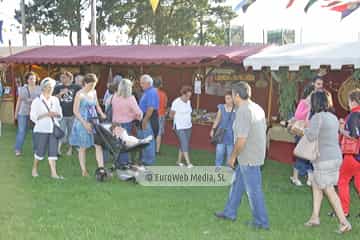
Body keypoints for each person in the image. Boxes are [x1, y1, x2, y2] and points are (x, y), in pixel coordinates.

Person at [215, 82, 269, 230]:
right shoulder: (257, 107)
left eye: (232, 95)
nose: (232, 97)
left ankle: (261, 222)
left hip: (248, 156)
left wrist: (232, 157)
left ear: (237, 95)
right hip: (253, 154)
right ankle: (229, 212)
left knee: (253, 191)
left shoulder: (244, 111)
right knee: (237, 184)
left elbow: (241, 139)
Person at [303, 91, 351, 233]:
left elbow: (311, 137)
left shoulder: (317, 117)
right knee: (316, 185)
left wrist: (302, 128)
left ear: (315, 103)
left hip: (323, 159)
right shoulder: (333, 117)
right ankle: (315, 217)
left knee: (329, 190)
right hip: (336, 157)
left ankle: (344, 222)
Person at [69, 73, 107, 176]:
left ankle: (101, 168)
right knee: (83, 147)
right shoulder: (79, 94)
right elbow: (75, 111)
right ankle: (83, 170)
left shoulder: (94, 92)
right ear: (85, 83)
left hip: (94, 121)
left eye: (94, 85)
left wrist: (102, 114)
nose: (92, 87)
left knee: (98, 145)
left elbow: (97, 105)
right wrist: (85, 123)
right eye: (91, 85)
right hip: (82, 122)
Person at [30, 77, 63, 179]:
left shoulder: (55, 100)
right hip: (41, 130)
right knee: (40, 152)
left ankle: (54, 173)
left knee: (53, 152)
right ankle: (34, 168)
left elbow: (60, 115)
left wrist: (55, 114)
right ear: (43, 88)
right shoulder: (37, 101)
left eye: (52, 87)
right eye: (48, 87)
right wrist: (46, 114)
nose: (50, 89)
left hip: (53, 129)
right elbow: (33, 117)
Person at [335, 89, 360, 219]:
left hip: (353, 154)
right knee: (358, 182)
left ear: (353, 101)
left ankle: (344, 211)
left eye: (349, 101)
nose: (348, 104)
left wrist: (341, 129)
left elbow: (355, 136)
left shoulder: (354, 115)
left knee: (342, 180)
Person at [112, 78, 143, 166]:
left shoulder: (115, 96)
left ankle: (118, 162)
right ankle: (124, 163)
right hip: (126, 123)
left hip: (115, 122)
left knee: (118, 143)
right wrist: (137, 117)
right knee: (125, 143)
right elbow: (138, 112)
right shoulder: (130, 98)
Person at [290, 84, 315, 186]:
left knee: (310, 154)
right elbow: (297, 116)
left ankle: (310, 177)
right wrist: (308, 108)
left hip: (309, 132)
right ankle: (295, 177)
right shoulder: (303, 102)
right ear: (309, 93)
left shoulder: (315, 104)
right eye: (313, 93)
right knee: (301, 154)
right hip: (300, 132)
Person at [53, 71, 81, 156]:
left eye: (64, 77)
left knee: (71, 133)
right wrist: (60, 94)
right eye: (61, 77)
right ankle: (57, 150)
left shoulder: (76, 87)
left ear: (69, 78)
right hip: (61, 114)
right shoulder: (58, 87)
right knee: (60, 132)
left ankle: (70, 150)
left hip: (73, 114)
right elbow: (52, 98)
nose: (62, 79)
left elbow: (81, 98)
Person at [14, 72, 41, 156]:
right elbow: (19, 101)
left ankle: (36, 150)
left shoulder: (39, 89)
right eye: (30, 79)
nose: (32, 80)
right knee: (21, 131)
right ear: (27, 80)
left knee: (35, 132)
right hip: (23, 113)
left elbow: (42, 101)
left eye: (34, 78)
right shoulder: (22, 89)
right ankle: (18, 149)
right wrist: (16, 114)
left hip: (35, 114)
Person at [137, 74, 159, 166]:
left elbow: (150, 109)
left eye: (142, 83)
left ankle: (148, 162)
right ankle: (143, 160)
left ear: (148, 83)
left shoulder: (151, 92)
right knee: (143, 141)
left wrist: (145, 121)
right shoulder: (147, 92)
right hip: (144, 118)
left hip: (148, 119)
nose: (141, 85)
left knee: (148, 141)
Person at [170, 86, 193, 168]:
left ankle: (179, 161)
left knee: (183, 144)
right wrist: (177, 120)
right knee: (184, 143)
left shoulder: (189, 102)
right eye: (187, 96)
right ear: (183, 94)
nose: (188, 98)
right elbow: (171, 115)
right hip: (179, 126)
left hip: (188, 126)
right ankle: (188, 163)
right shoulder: (176, 102)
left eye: (190, 96)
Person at [210, 91, 235, 167]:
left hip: (232, 135)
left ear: (233, 99)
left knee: (230, 154)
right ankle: (218, 168)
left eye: (228, 98)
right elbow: (217, 119)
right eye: (225, 98)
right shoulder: (221, 107)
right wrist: (213, 129)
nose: (226, 100)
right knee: (219, 152)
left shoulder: (237, 109)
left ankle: (228, 170)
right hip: (221, 134)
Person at [154, 78, 168, 154]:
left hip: (151, 115)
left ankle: (150, 149)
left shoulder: (150, 93)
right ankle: (157, 150)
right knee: (159, 133)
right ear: (161, 85)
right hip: (161, 114)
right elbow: (165, 105)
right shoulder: (163, 94)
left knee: (151, 132)